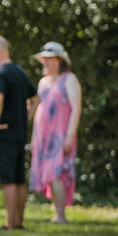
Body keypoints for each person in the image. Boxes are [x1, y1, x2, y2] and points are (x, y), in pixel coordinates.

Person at [0, 35, 39, 230]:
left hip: (4, 134)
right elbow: (35, 98)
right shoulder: (20, 72)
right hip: (20, 134)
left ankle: (9, 223)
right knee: (19, 179)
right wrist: (27, 118)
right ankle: (19, 222)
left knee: (7, 180)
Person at [30, 42, 81, 224]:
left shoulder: (69, 79)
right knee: (49, 175)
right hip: (44, 136)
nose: (47, 63)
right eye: (45, 60)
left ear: (60, 60)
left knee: (55, 173)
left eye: (50, 59)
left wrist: (69, 135)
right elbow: (38, 110)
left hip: (60, 135)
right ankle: (57, 214)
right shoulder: (43, 82)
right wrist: (35, 137)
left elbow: (76, 108)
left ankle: (61, 216)